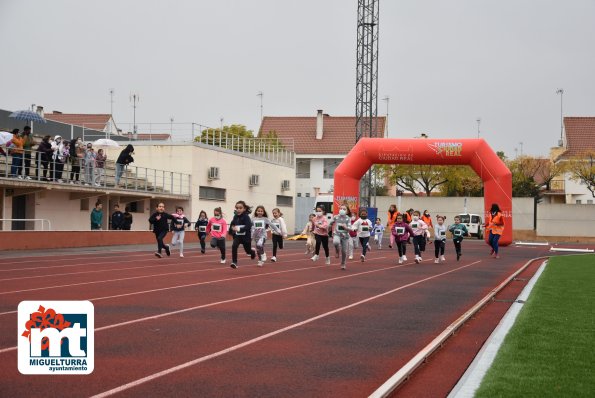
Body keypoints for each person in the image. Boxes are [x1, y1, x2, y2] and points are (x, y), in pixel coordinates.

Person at [229, 200, 256, 269]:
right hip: (238, 236)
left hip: (246, 237)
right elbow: (232, 224)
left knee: (248, 251)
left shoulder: (246, 217)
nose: (238, 209)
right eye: (237, 208)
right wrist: (232, 228)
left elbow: (248, 226)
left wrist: (239, 229)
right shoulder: (235, 216)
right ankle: (234, 262)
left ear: (244, 209)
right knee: (234, 246)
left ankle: (252, 252)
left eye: (240, 208)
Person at [329, 204, 352, 270]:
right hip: (337, 234)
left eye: (344, 209)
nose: (342, 210)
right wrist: (329, 227)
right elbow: (330, 223)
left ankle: (343, 262)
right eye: (341, 208)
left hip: (345, 236)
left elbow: (350, 228)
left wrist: (345, 227)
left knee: (344, 251)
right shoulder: (336, 217)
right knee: (336, 242)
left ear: (347, 211)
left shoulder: (348, 218)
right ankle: (337, 250)